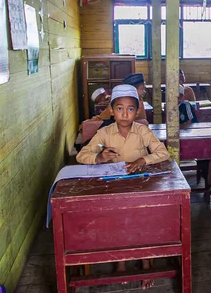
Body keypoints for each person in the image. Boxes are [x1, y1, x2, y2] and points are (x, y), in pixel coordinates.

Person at [76, 84, 169, 288]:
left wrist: (143, 160)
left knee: (143, 221)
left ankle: (145, 263)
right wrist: (99, 157)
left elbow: (163, 153)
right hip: (113, 188)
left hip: (140, 186)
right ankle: (120, 264)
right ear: (112, 110)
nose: (125, 114)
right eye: (119, 108)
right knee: (116, 222)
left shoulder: (142, 131)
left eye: (130, 109)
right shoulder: (104, 133)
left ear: (137, 111)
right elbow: (81, 155)